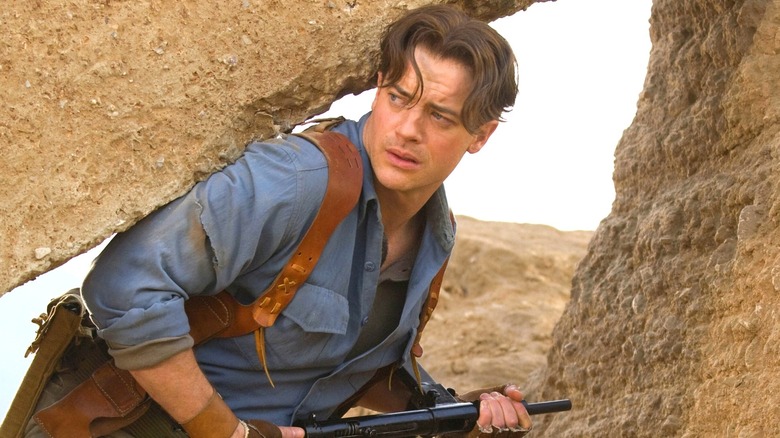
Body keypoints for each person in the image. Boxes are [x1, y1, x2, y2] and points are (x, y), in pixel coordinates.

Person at [53, 5, 530, 437]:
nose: (407, 130)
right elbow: (122, 286)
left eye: (440, 117)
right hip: (122, 425)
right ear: (380, 84)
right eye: (399, 98)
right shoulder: (295, 181)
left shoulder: (436, 236)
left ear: (480, 135)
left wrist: (453, 410)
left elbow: (351, 367)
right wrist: (225, 432)